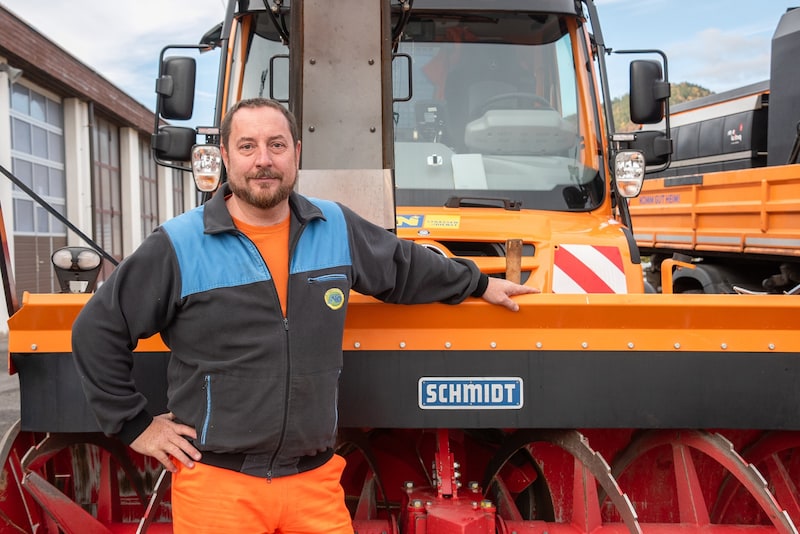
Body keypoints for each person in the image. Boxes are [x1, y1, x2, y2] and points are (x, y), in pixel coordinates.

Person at [71, 97, 538, 533]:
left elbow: (405, 266)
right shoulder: (179, 244)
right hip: (218, 486)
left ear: (295, 152)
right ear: (226, 158)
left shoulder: (333, 226)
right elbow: (97, 329)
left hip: (314, 484)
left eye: (276, 145)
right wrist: (135, 426)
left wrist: (478, 283)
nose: (263, 160)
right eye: (247, 146)